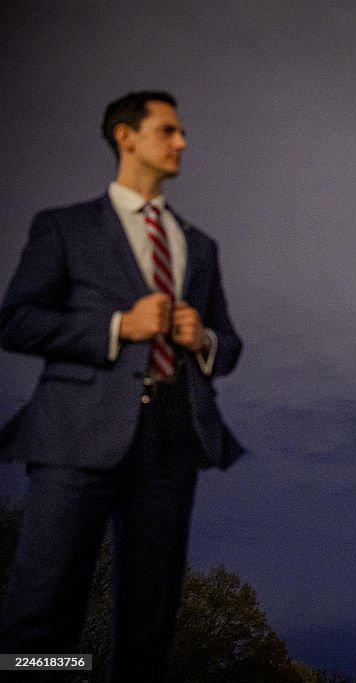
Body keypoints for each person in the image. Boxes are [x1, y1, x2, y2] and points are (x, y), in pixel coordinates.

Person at [0, 91, 242, 681]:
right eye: (168, 130)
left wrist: (202, 338)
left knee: (150, 620)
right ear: (126, 137)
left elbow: (229, 345)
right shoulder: (66, 228)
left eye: (183, 133)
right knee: (45, 608)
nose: (182, 142)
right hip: (76, 434)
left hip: (169, 439)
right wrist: (117, 327)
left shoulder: (199, 246)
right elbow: (17, 319)